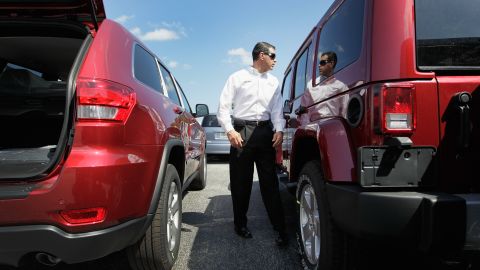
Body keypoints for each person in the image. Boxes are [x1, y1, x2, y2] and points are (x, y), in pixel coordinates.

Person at [217, 41, 288, 246]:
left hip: (265, 133)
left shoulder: (274, 82)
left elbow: (276, 109)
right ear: (261, 56)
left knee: (270, 184)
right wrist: (230, 131)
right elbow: (223, 107)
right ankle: (240, 225)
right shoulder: (237, 78)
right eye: (273, 55)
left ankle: (280, 229)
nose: (276, 60)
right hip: (242, 133)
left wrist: (280, 129)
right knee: (241, 184)